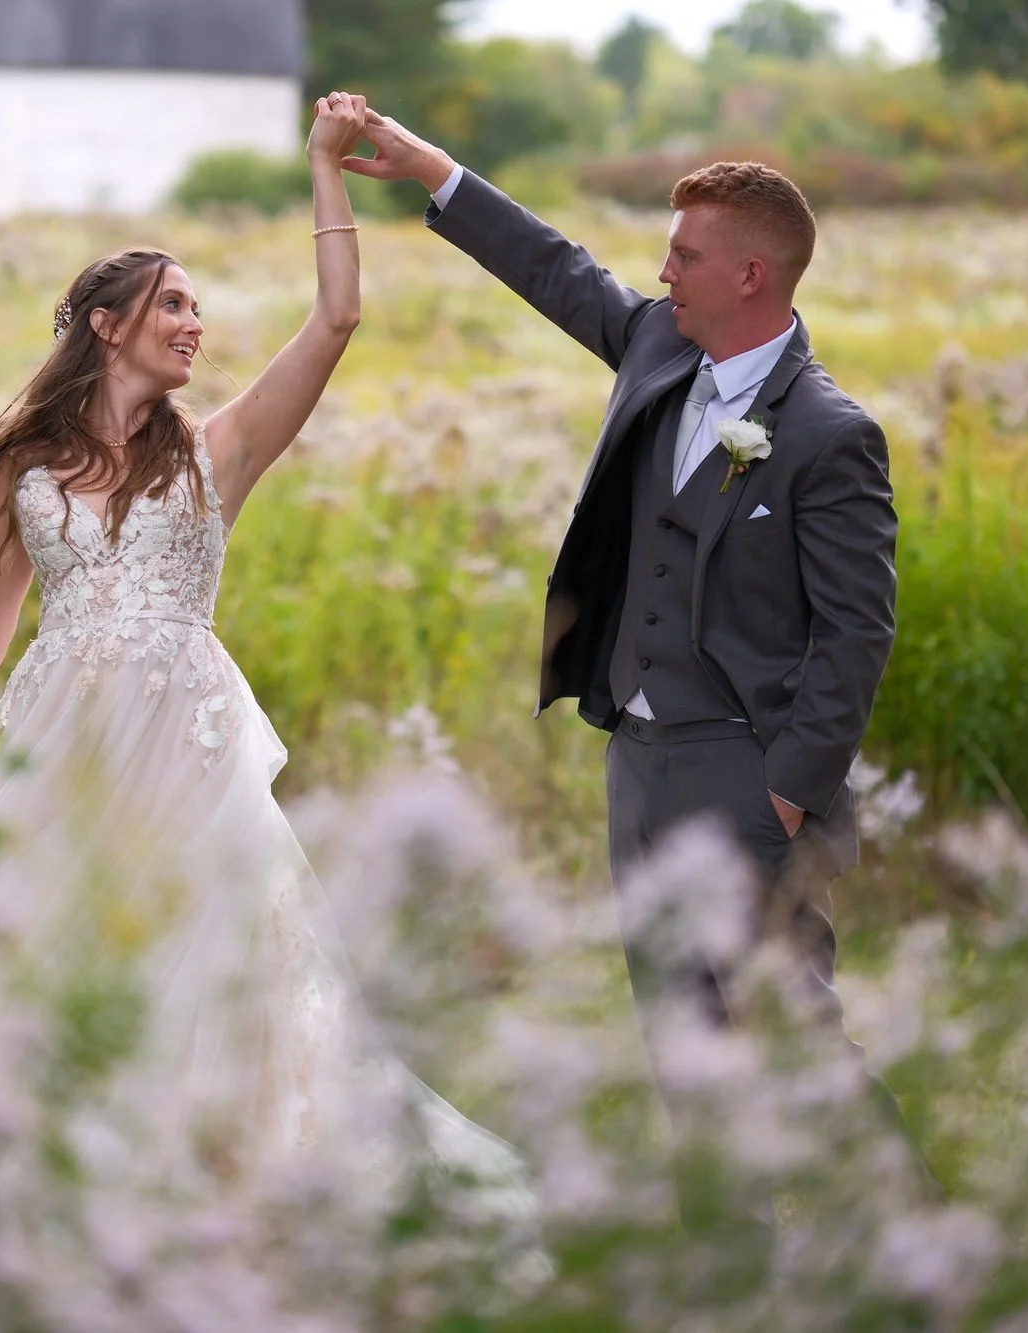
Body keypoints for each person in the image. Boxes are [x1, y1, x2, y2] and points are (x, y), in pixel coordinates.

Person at [0, 93, 535, 1310]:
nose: (194, 322)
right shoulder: (27, 470)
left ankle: (207, 1226)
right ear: (106, 324)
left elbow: (337, 318)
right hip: (60, 761)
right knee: (13, 962)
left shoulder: (218, 454)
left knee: (215, 976)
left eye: (197, 307)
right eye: (172, 303)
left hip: (191, 757)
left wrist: (327, 170)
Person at [341, 115, 932, 1225]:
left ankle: (918, 1233)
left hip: (747, 776)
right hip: (638, 761)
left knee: (787, 1021)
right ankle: (729, 1242)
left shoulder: (825, 432)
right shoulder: (659, 347)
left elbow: (857, 632)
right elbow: (556, 270)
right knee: (674, 1025)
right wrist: (429, 170)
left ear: (750, 273)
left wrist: (788, 785)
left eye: (685, 254)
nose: (661, 270)